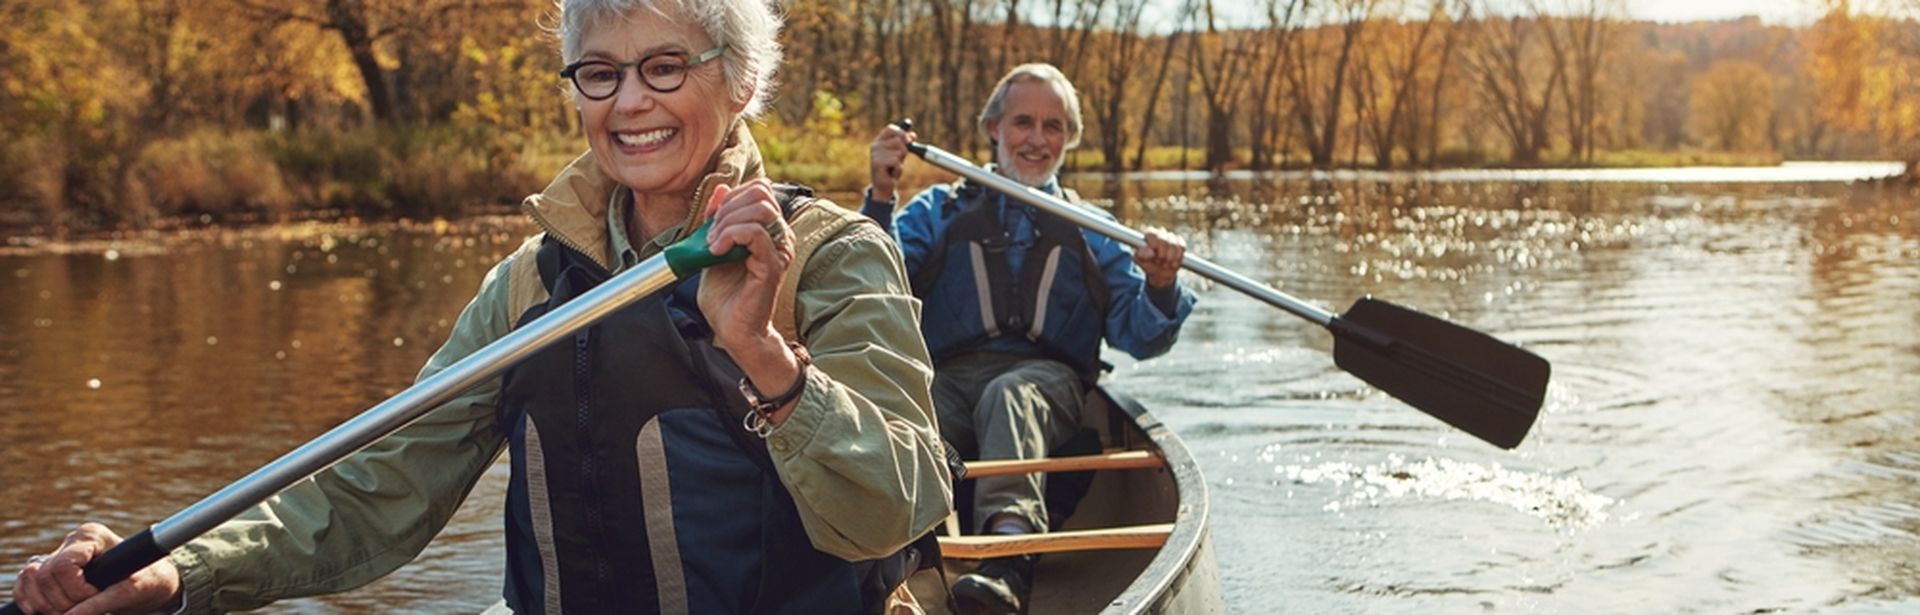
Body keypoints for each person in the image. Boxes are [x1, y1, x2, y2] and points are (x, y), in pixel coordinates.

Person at [10, 1, 952, 614]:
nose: (630, 102)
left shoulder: (832, 255)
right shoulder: (530, 285)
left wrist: (765, 356)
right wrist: (181, 570)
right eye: (600, 72)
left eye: (666, 66)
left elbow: (897, 507)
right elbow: (379, 485)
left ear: (741, 82)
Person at [861, 63, 1195, 614]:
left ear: (1069, 138)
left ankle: (1009, 558)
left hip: (1048, 384)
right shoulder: (937, 210)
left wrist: (1161, 283)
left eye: (1053, 126)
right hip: (949, 378)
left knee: (1010, 395)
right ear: (994, 128)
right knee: (903, 407)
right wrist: (881, 194)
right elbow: (872, 286)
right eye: (1023, 122)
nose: (1037, 139)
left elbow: (1140, 337)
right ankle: (887, 556)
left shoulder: (1094, 229)